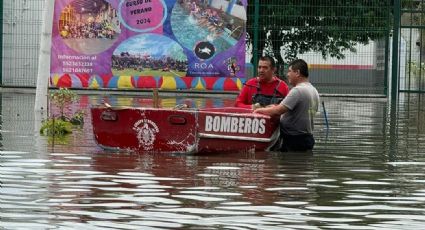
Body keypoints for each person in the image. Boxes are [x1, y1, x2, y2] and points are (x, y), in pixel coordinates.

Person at [254, 59, 320, 152]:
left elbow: (278, 110)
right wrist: (271, 107)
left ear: (297, 72)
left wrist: (258, 111)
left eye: (289, 71)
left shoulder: (298, 90)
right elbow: (288, 108)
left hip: (294, 140)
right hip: (306, 138)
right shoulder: (313, 90)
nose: (287, 74)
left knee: (289, 165)